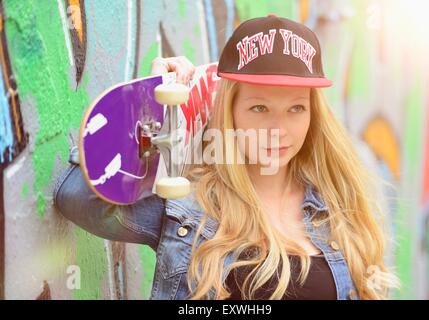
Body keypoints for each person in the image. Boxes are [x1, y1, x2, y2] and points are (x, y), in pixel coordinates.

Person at [53, 15, 398, 300]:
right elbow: (78, 197)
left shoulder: (336, 209)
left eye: (296, 108)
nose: (278, 128)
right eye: (259, 107)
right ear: (227, 110)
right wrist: (151, 105)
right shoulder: (190, 204)